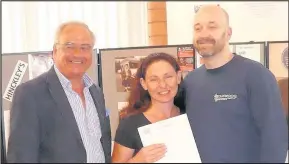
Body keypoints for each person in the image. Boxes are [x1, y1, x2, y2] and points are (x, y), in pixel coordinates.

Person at [181, 5, 288, 163]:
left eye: (212, 26)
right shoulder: (190, 82)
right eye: (198, 28)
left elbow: (275, 139)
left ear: (228, 33)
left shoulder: (256, 75)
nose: (204, 34)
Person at [7, 21, 111, 163]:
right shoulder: (30, 94)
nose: (77, 54)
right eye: (69, 46)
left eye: (85, 47)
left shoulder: (96, 93)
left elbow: (101, 147)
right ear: (54, 52)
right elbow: (21, 157)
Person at [112, 53, 185, 163]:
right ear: (144, 83)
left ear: (178, 77)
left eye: (168, 77)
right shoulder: (130, 124)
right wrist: (137, 161)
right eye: (154, 79)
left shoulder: (189, 116)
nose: (163, 85)